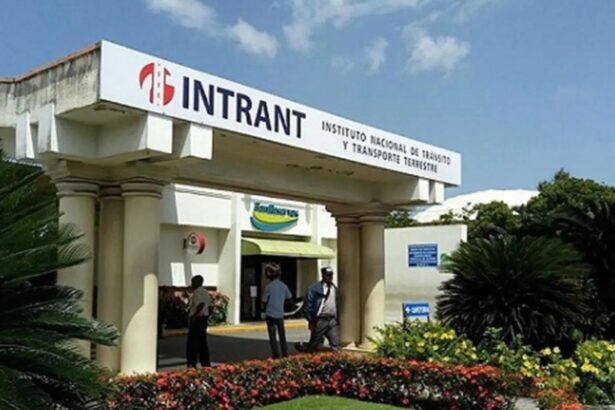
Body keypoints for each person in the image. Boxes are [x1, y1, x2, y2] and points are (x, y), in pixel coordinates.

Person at [302, 266, 340, 352]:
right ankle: (308, 355)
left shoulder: (334, 289)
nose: (330, 277)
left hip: (332, 320)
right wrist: (311, 321)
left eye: (331, 275)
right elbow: (307, 306)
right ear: (323, 275)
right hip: (320, 320)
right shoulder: (314, 289)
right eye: (328, 275)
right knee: (314, 343)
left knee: (336, 344)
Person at [261, 263, 292, 358]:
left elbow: (264, 301)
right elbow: (289, 298)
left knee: (272, 336)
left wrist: (262, 311)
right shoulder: (284, 286)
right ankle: (285, 354)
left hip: (270, 314)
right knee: (282, 335)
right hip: (280, 314)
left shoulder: (268, 287)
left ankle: (276, 355)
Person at [186, 275, 212, 368]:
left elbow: (201, 304)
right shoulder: (205, 292)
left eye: (193, 282)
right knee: (202, 342)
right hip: (203, 319)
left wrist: (194, 316)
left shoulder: (197, 292)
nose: (192, 284)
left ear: (198, 282)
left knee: (193, 342)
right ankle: (205, 363)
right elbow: (210, 306)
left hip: (197, 319)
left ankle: (192, 363)